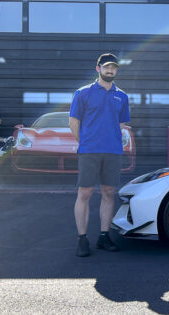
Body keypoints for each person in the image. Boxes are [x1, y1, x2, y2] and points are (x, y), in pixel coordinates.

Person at [69, 53, 130, 257]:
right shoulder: (83, 93)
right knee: (84, 194)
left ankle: (104, 237)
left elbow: (120, 124)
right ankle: (82, 239)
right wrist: (85, 143)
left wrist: (108, 139)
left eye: (113, 67)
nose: (110, 70)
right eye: (106, 67)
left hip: (113, 151)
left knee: (108, 193)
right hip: (89, 152)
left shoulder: (122, 96)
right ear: (98, 69)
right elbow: (74, 123)